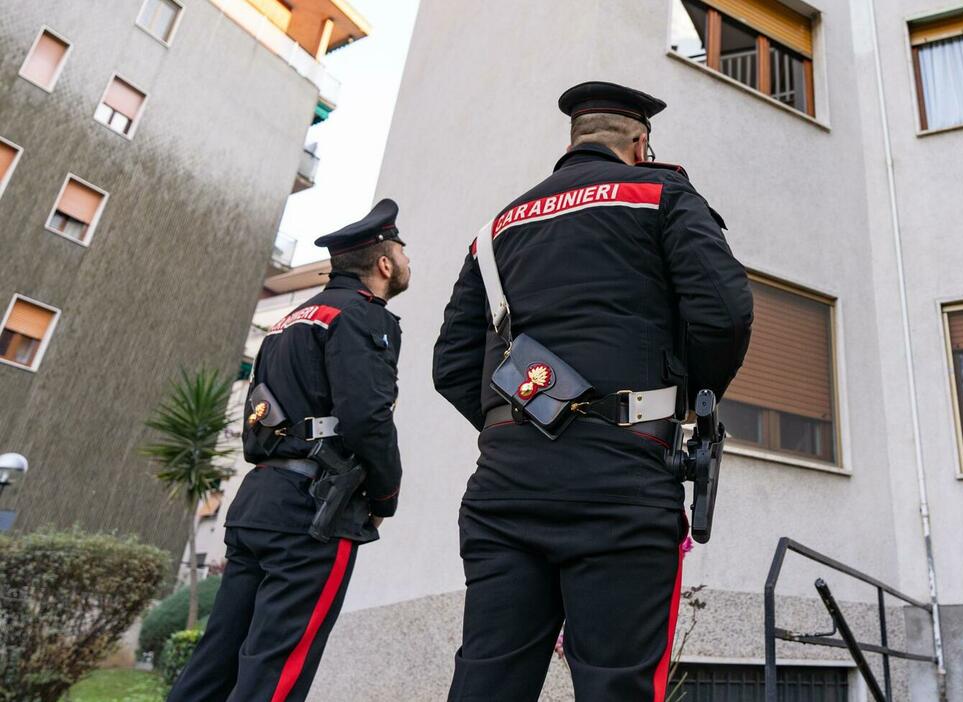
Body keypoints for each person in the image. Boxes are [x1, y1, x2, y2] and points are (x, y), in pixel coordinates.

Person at [434, 81, 753, 701]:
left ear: (573, 140)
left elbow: (451, 364)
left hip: (505, 487)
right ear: (641, 143)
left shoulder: (496, 228)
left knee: (487, 681)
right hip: (622, 480)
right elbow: (724, 314)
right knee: (617, 686)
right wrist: (693, 405)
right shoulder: (662, 194)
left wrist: (530, 419)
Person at [167, 199, 410, 702]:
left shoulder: (293, 318)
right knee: (276, 670)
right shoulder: (364, 316)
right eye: (404, 252)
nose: (409, 262)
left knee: (215, 662)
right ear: (385, 263)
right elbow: (368, 417)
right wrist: (385, 497)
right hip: (314, 511)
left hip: (259, 501)